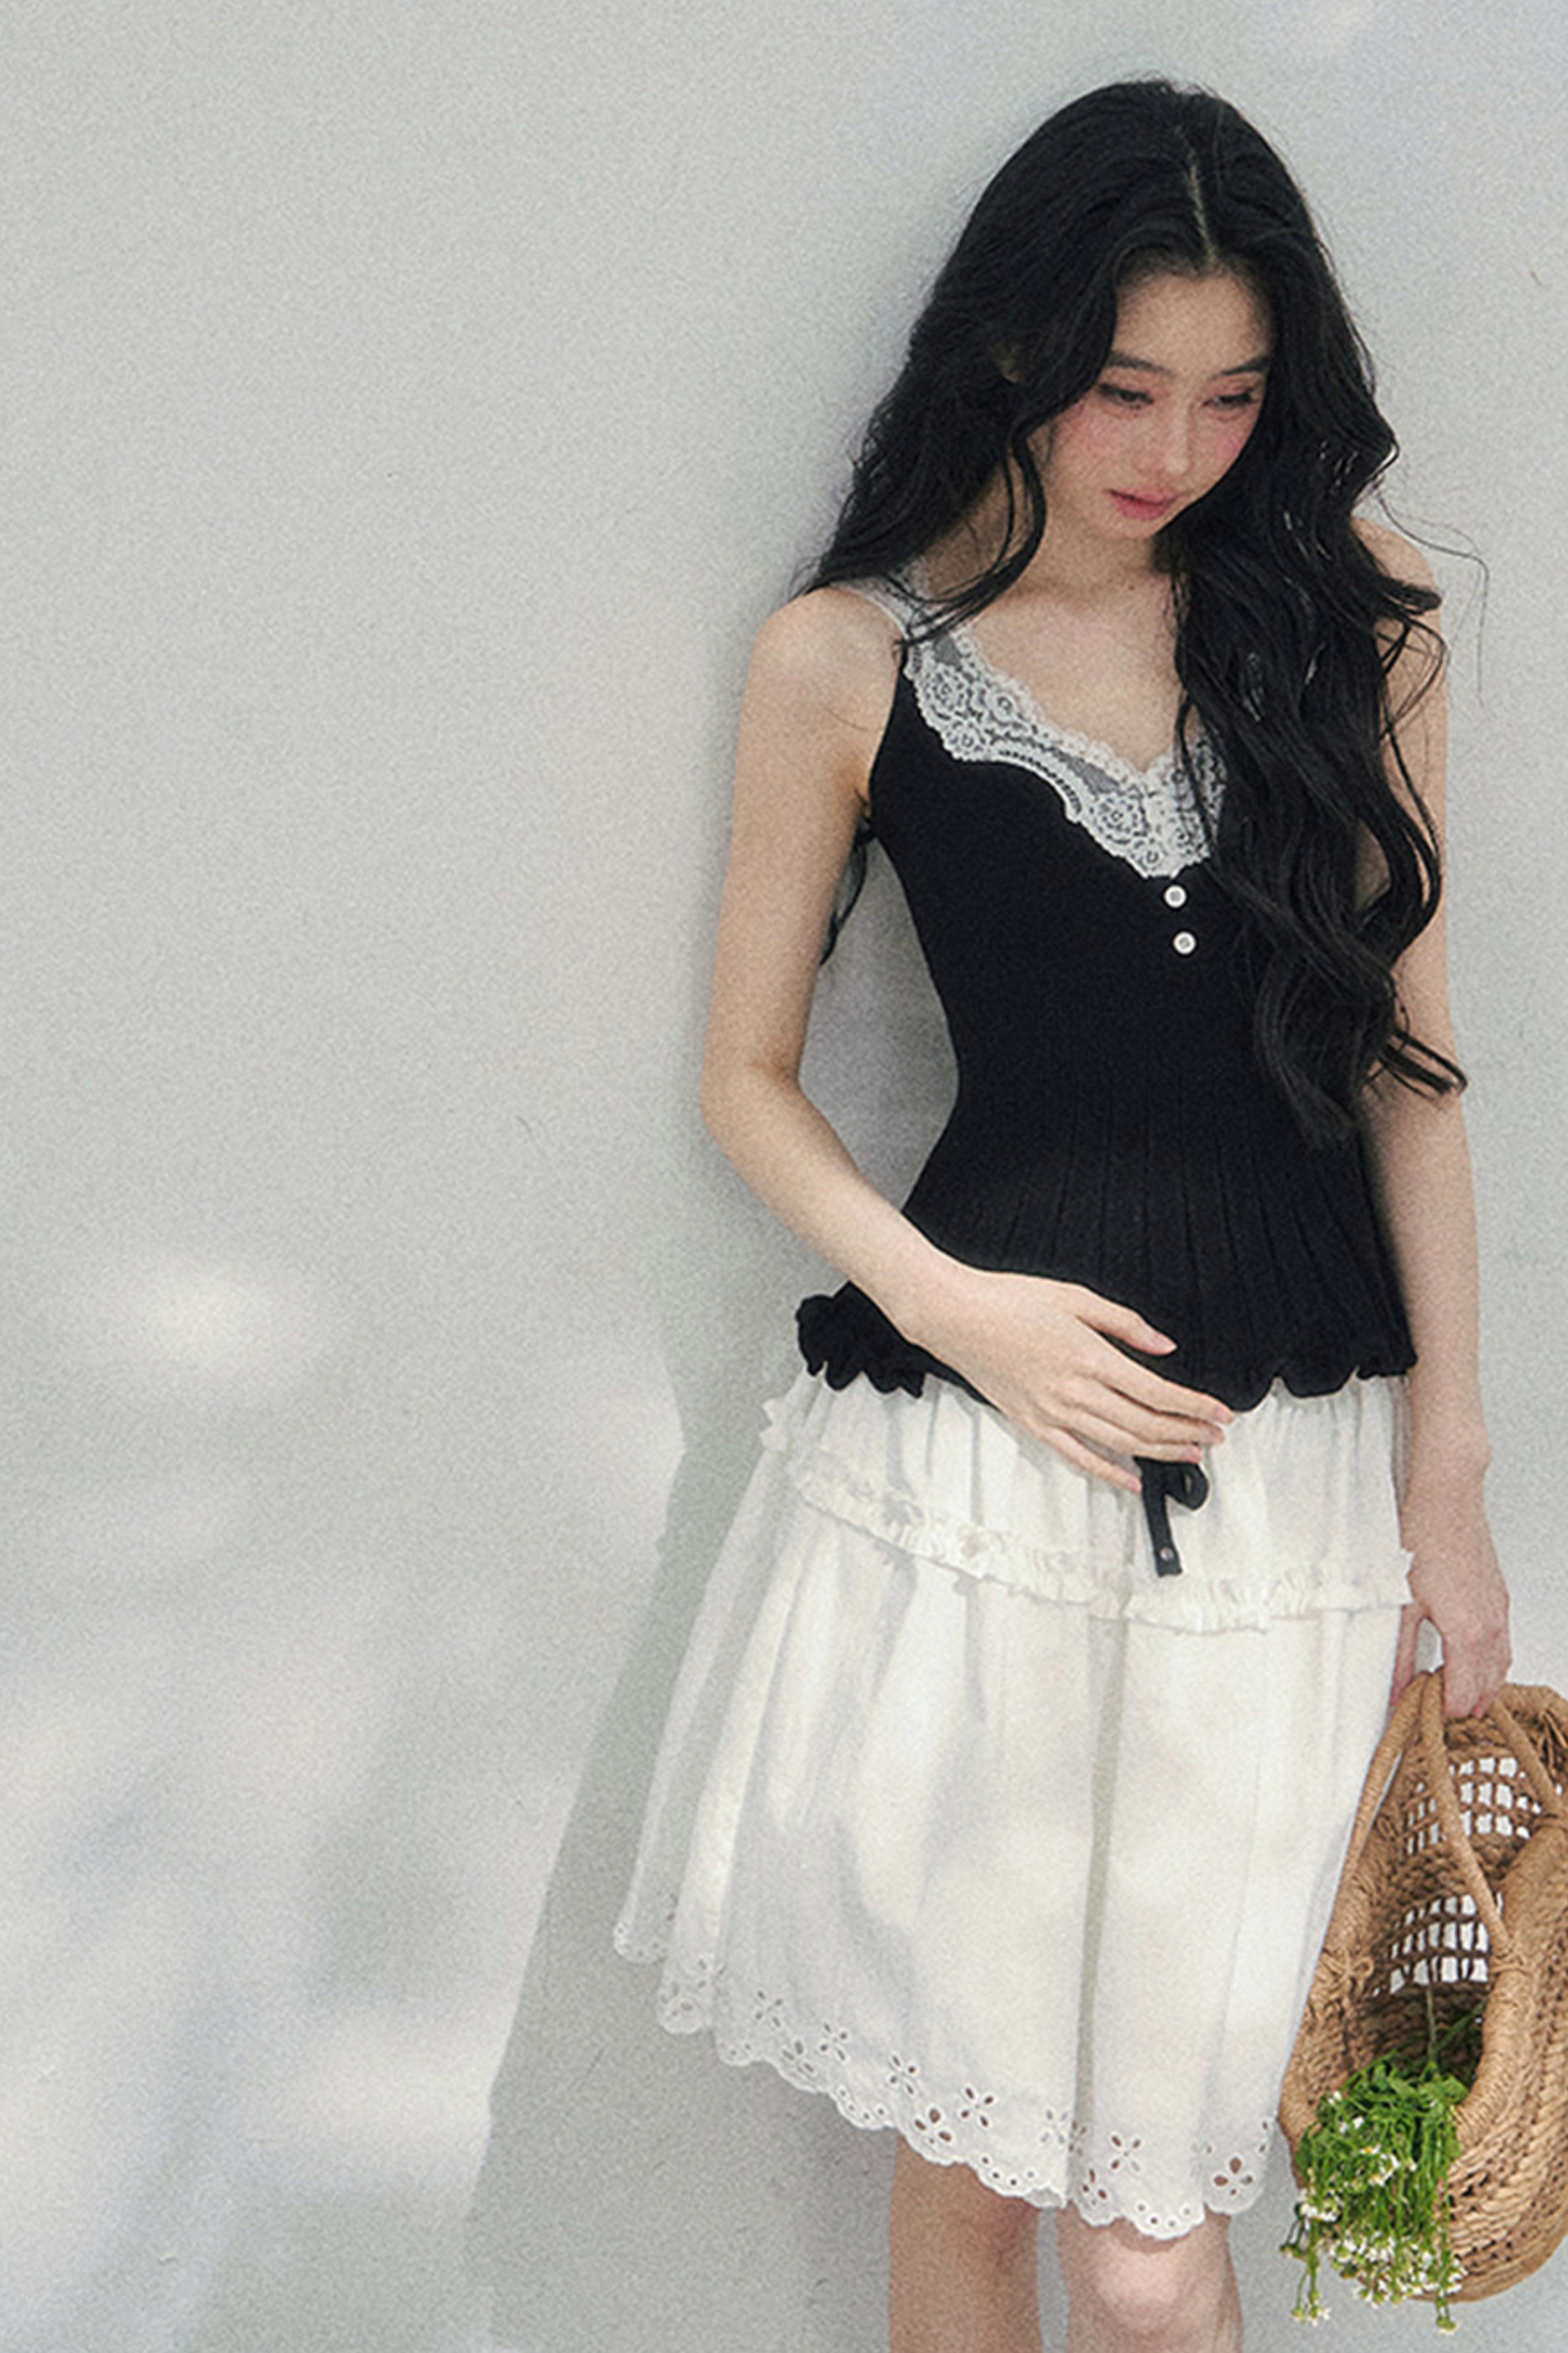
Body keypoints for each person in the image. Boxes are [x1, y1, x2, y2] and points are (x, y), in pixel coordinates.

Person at [613, 77, 1511, 2353]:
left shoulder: (1358, 619)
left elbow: (1411, 1070)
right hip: (985, 1465)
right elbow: (741, 1078)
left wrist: (1455, 1472)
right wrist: (960, 1308)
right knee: (978, 2171)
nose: (1175, 448)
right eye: (1126, 387)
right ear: (1016, 348)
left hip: (1289, 1476)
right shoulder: (853, 657)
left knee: (1154, 2241)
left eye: (1232, 395)